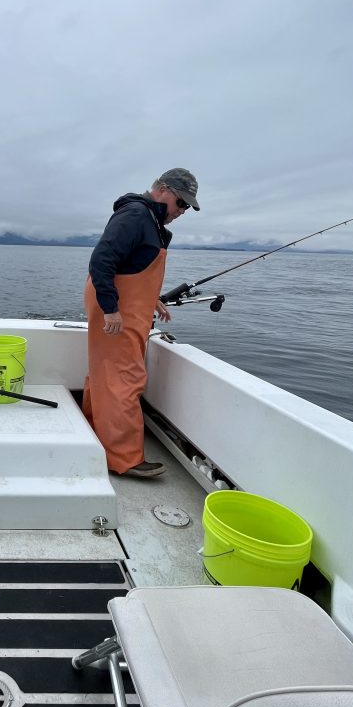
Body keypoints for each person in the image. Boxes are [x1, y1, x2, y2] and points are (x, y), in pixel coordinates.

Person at [83, 168, 200, 479]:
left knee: (107, 372)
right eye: (181, 202)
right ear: (162, 189)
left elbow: (131, 268)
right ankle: (123, 458)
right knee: (125, 377)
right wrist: (111, 308)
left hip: (128, 307)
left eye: (187, 207)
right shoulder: (136, 215)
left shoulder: (149, 220)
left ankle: (95, 434)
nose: (182, 211)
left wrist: (152, 297)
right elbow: (102, 260)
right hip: (117, 310)